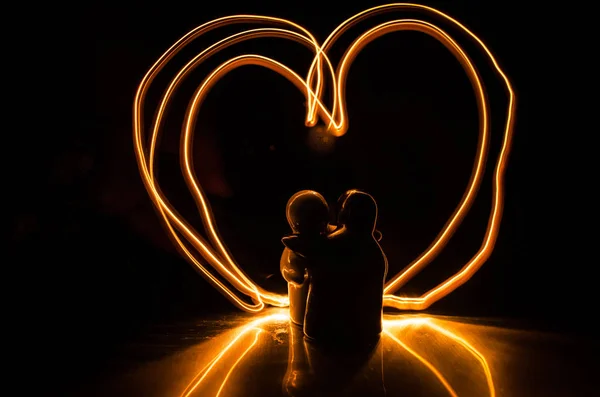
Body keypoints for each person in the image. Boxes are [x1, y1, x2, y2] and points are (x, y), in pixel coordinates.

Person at [302, 190, 388, 347]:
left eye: (343, 207)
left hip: (325, 331)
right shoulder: (374, 250)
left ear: (347, 213)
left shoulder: (332, 244)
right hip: (366, 330)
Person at [280, 190, 330, 326]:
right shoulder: (294, 245)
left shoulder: (328, 239)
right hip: (301, 306)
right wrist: (294, 273)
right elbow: (288, 268)